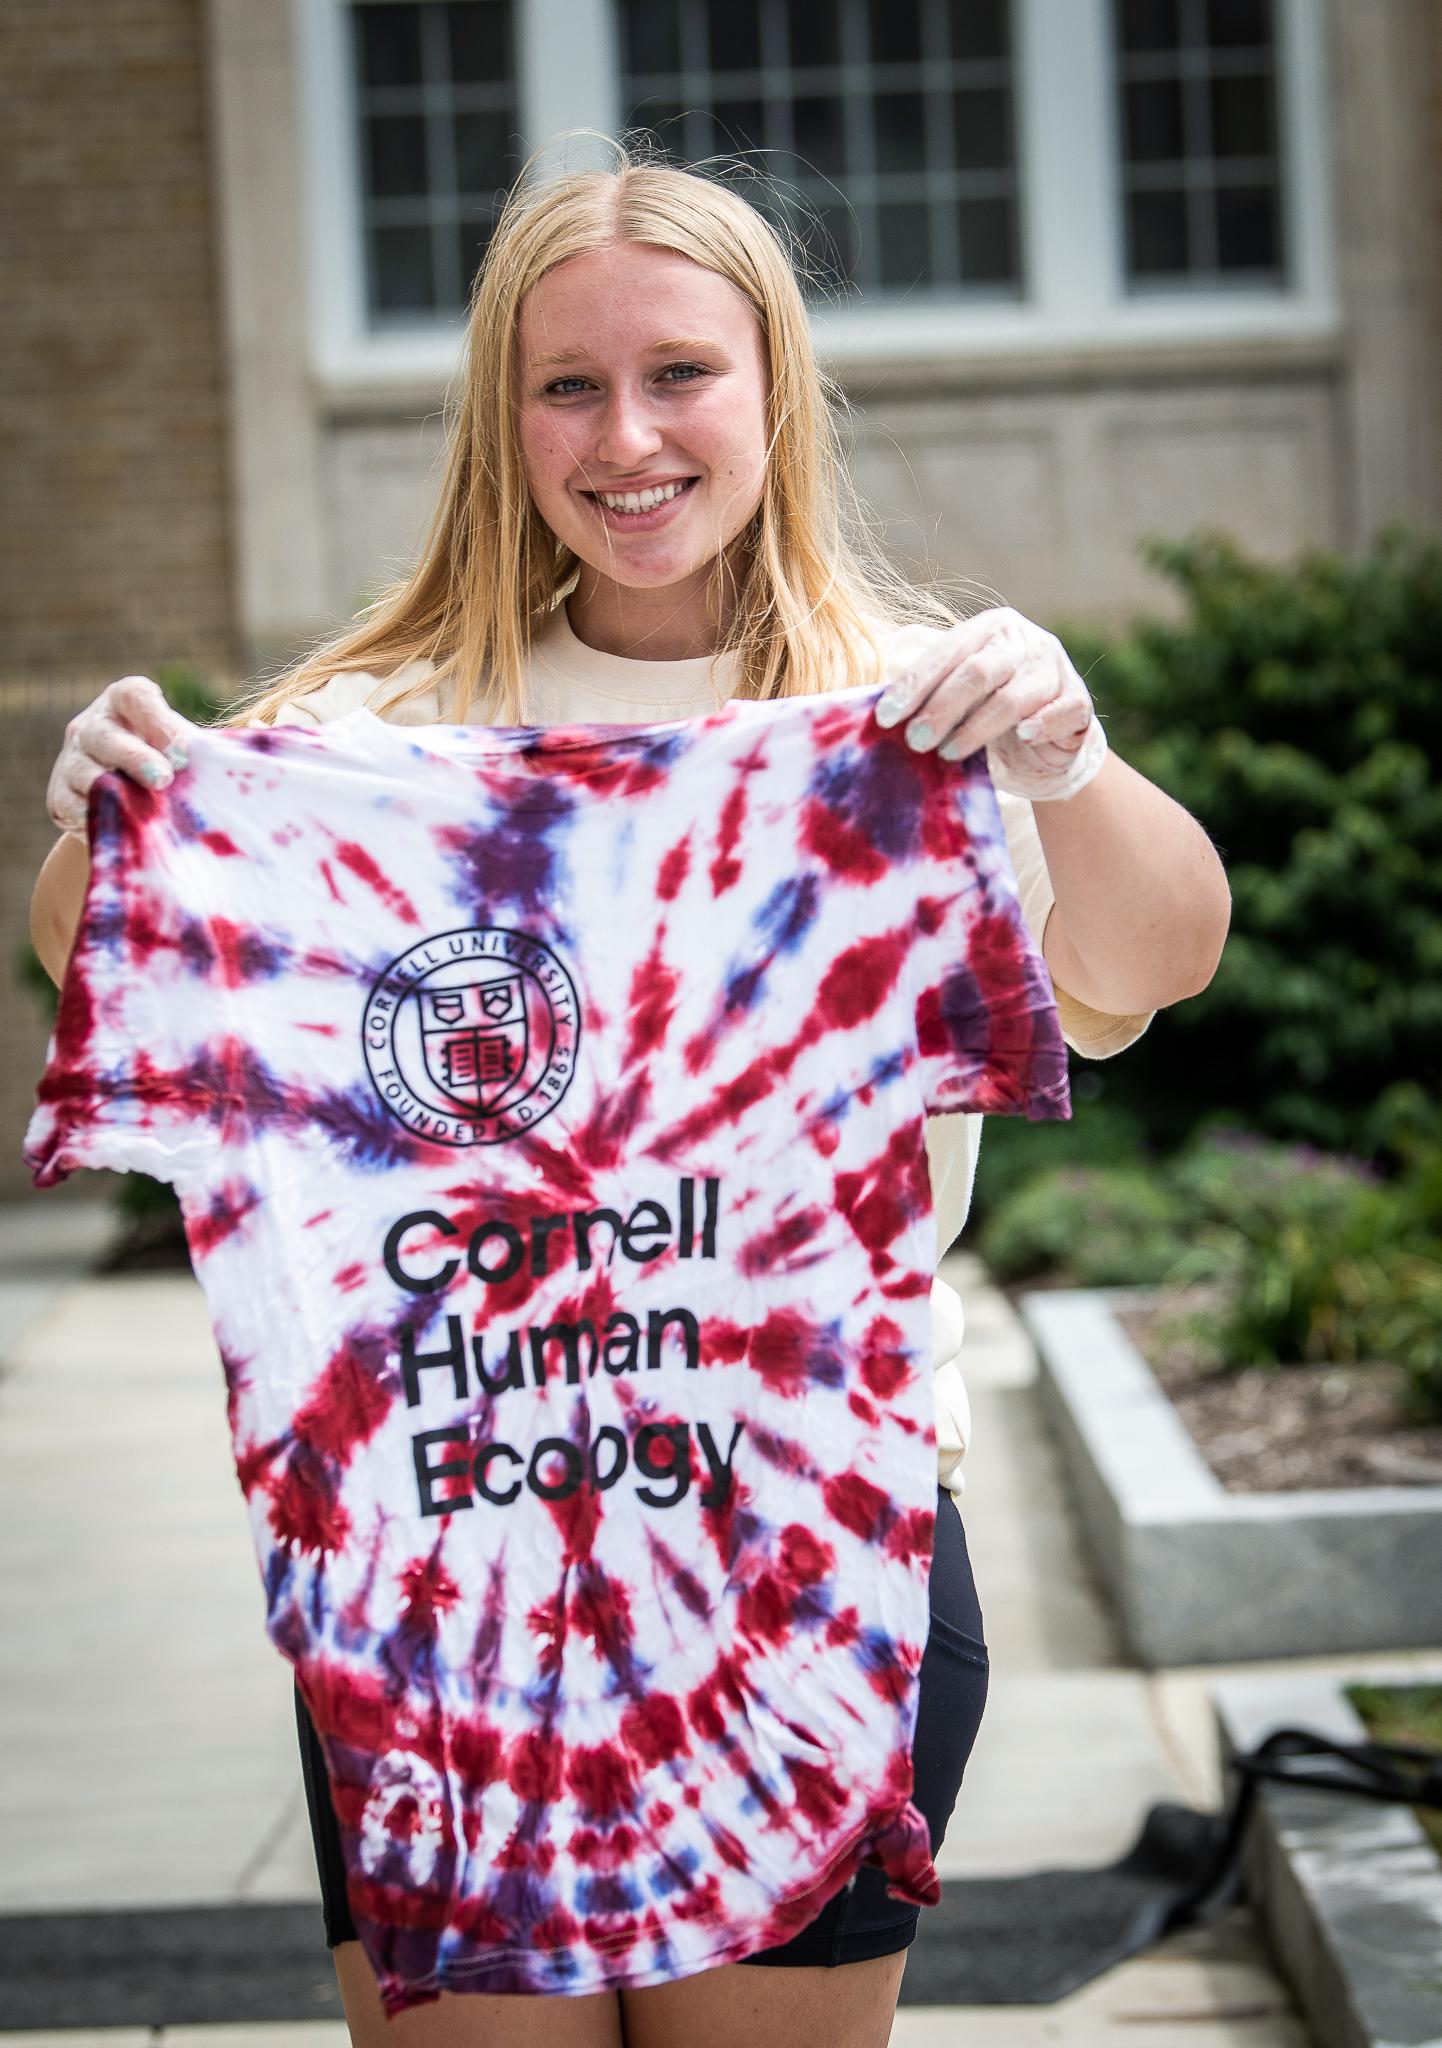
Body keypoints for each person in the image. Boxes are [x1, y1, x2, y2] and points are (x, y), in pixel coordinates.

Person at [30, 140, 1230, 2048]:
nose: (627, 436)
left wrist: (1064, 763)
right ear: (501, 422)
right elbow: (119, 960)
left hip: (801, 1560)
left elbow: (1151, 961)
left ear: (774, 392)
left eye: (680, 373)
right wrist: (112, 817)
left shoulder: (906, 722)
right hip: (441, 1581)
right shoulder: (390, 729)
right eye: (567, 385)